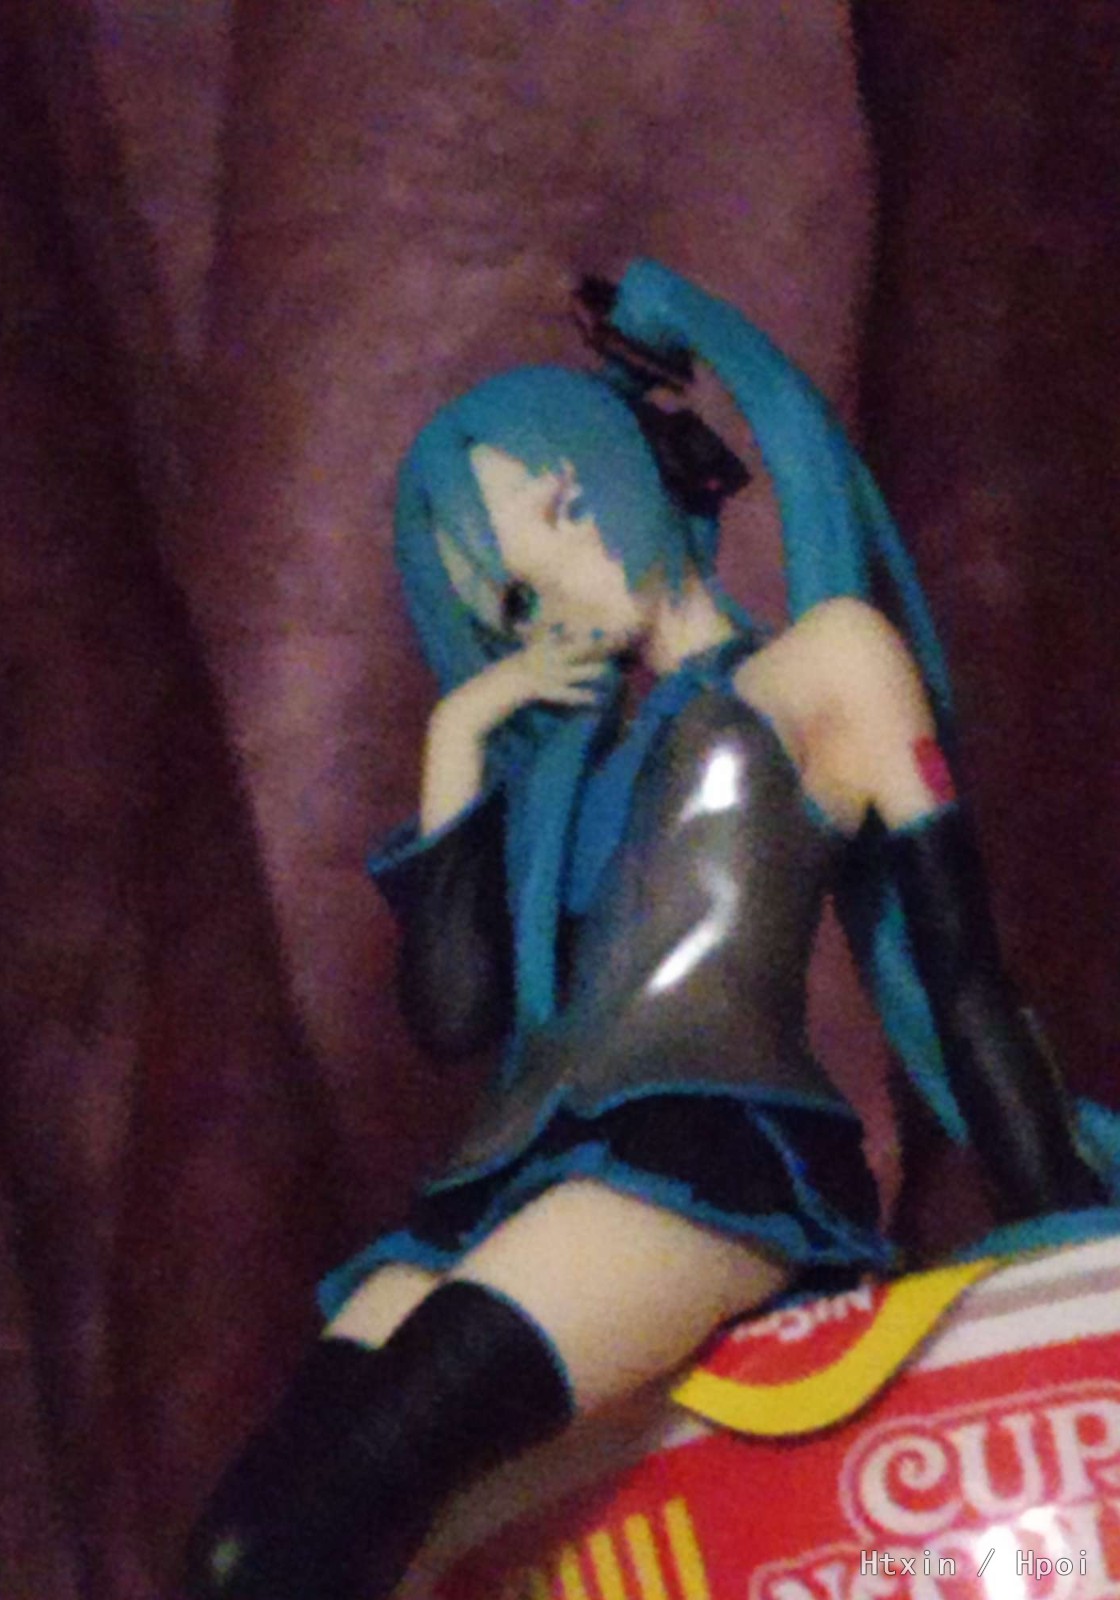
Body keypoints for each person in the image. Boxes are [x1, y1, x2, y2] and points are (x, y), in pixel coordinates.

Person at [184, 259, 1112, 1600]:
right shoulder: (571, 777)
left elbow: (963, 976)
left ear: (607, 469)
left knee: (327, 1516)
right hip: (512, 1180)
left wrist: (1064, 1231)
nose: (550, 600)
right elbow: (454, 1012)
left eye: (556, 517)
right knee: (243, 1548)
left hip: (703, 1157)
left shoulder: (824, 666)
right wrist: (460, 740)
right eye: (510, 601)